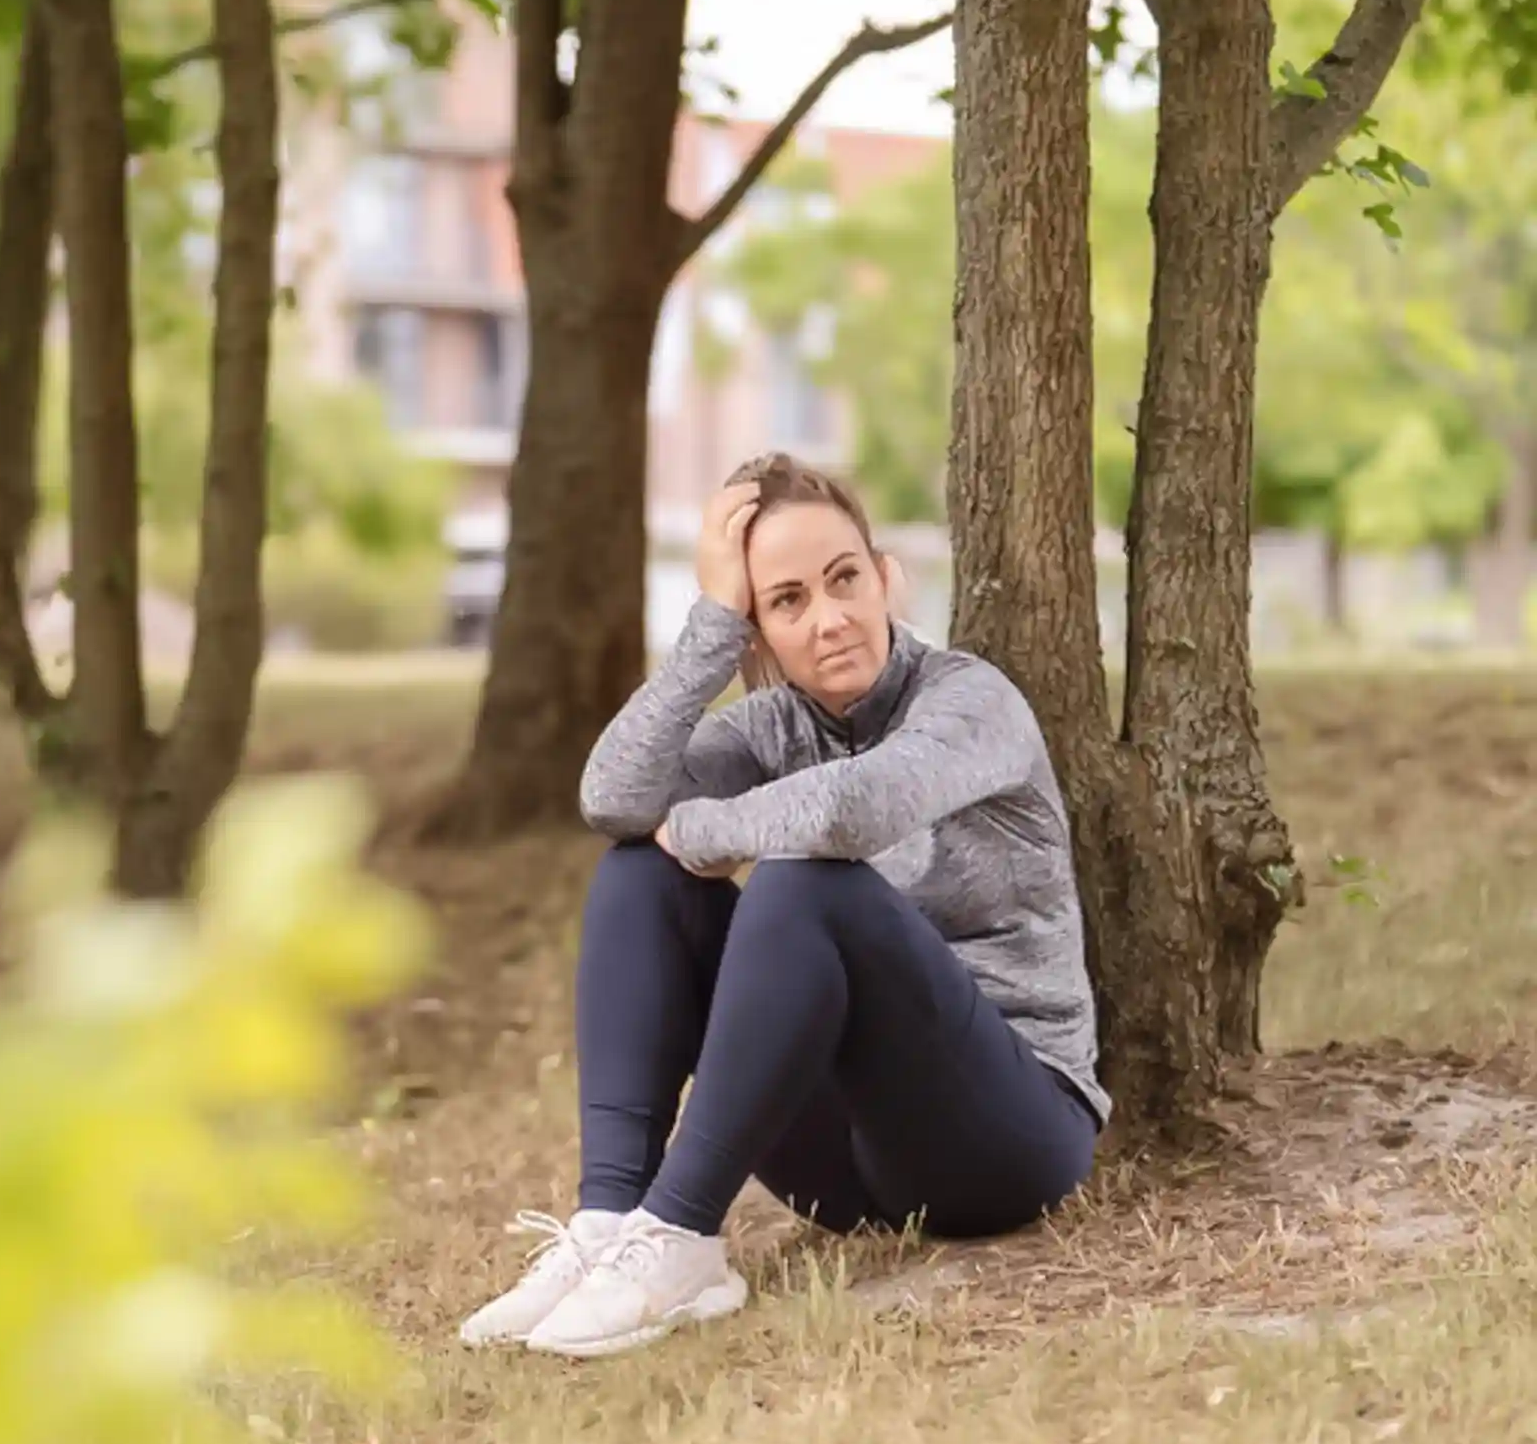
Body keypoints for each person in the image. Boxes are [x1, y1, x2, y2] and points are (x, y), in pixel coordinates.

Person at [460, 454, 1108, 1359]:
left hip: (1005, 1136)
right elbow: (613, 797)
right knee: (637, 874)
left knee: (809, 879)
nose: (831, 619)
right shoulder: (770, 727)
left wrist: (704, 828)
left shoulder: (971, 699)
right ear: (758, 634)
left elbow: (854, 810)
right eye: (788, 601)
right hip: (845, 1173)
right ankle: (609, 1220)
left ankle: (681, 1231)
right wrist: (709, 629)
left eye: (845, 580)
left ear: (887, 578)